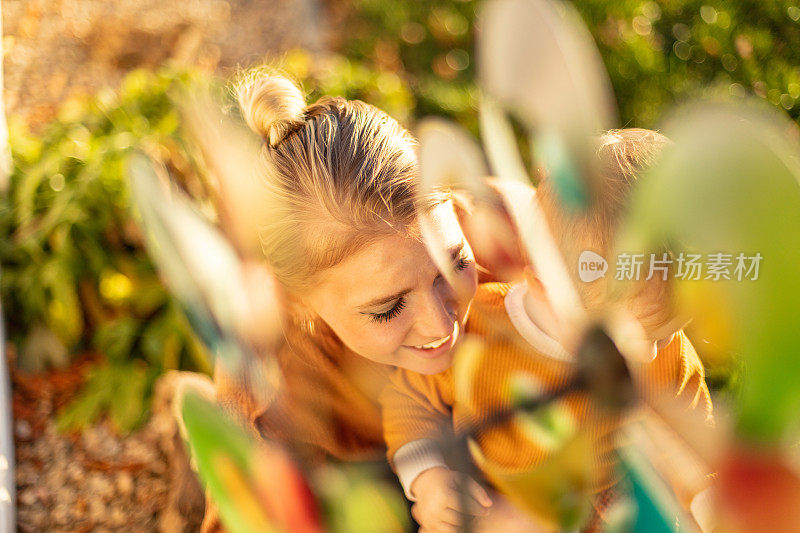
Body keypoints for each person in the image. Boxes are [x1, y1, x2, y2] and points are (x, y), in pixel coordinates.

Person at [201, 68, 502, 532]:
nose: (443, 326)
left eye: (453, 266)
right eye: (388, 308)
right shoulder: (264, 388)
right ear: (297, 302)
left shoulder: (505, 238)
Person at [380, 129, 715, 532]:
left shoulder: (668, 356)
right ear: (541, 278)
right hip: (492, 504)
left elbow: (691, 453)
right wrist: (429, 481)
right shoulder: (481, 328)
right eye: (622, 340)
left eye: (661, 335)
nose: (644, 356)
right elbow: (409, 403)